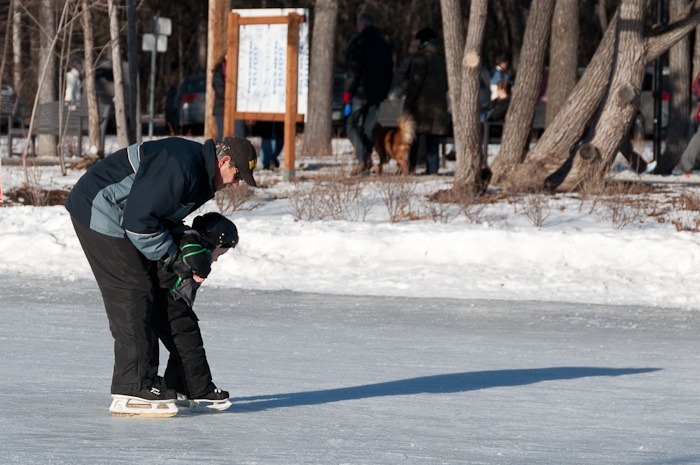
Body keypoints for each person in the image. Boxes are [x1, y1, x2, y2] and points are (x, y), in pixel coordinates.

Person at [65, 136, 257, 414]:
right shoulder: (181, 166)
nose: (235, 183)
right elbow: (140, 224)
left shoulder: (199, 175)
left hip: (125, 219)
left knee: (162, 291)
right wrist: (173, 257)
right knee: (134, 290)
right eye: (237, 175)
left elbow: (157, 214)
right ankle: (133, 384)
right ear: (224, 161)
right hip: (100, 210)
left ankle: (186, 380)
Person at [150, 212, 239, 408]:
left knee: (181, 348)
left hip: (171, 303)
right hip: (169, 302)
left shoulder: (191, 239)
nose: (216, 259)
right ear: (214, 242)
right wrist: (201, 269)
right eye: (220, 253)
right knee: (190, 346)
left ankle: (177, 387)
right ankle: (201, 389)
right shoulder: (190, 238)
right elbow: (194, 256)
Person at [343, 12, 393, 175]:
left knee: (350, 125)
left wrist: (348, 91)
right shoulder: (384, 44)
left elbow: (353, 70)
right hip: (378, 94)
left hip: (360, 92)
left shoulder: (359, 43)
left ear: (361, 24)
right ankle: (365, 160)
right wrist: (385, 92)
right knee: (368, 129)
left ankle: (363, 158)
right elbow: (389, 71)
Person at [403, 27, 450, 175]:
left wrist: (408, 103)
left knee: (415, 137)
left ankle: (410, 168)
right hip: (440, 105)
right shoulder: (444, 57)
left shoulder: (421, 58)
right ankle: (432, 170)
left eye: (417, 40)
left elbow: (415, 83)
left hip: (422, 105)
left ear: (421, 41)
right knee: (433, 141)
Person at [213, 55, 245, 141]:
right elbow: (220, 90)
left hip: (237, 108)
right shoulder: (218, 72)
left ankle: (237, 153)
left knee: (239, 133)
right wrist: (233, 96)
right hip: (221, 109)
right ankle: (218, 153)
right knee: (222, 135)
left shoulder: (240, 69)